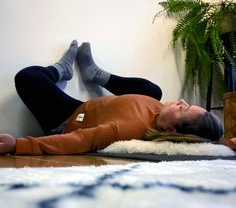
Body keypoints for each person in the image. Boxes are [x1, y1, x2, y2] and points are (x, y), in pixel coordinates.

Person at [0, 40, 235, 155]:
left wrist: (19, 145)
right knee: (153, 90)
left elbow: (80, 141)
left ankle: (60, 69)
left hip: (70, 118)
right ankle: (97, 75)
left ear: (168, 130)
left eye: (184, 110)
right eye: (187, 104)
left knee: (27, 77)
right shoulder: (158, 109)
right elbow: (211, 142)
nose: (183, 101)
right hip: (89, 106)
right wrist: (227, 143)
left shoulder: (122, 129)